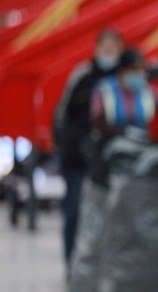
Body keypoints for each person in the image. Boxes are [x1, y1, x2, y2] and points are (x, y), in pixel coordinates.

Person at [53, 28, 124, 266]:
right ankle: (71, 265)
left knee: (110, 216)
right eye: (105, 48)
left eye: (113, 49)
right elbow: (62, 114)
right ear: (97, 49)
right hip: (77, 158)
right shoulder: (82, 76)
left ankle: (99, 269)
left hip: (109, 159)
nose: (108, 53)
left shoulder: (123, 78)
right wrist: (67, 146)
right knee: (74, 211)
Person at [89, 47, 158, 186]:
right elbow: (97, 120)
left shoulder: (145, 89)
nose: (139, 74)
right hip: (110, 150)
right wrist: (124, 131)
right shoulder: (105, 89)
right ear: (122, 71)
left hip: (138, 149)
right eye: (135, 70)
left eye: (142, 70)